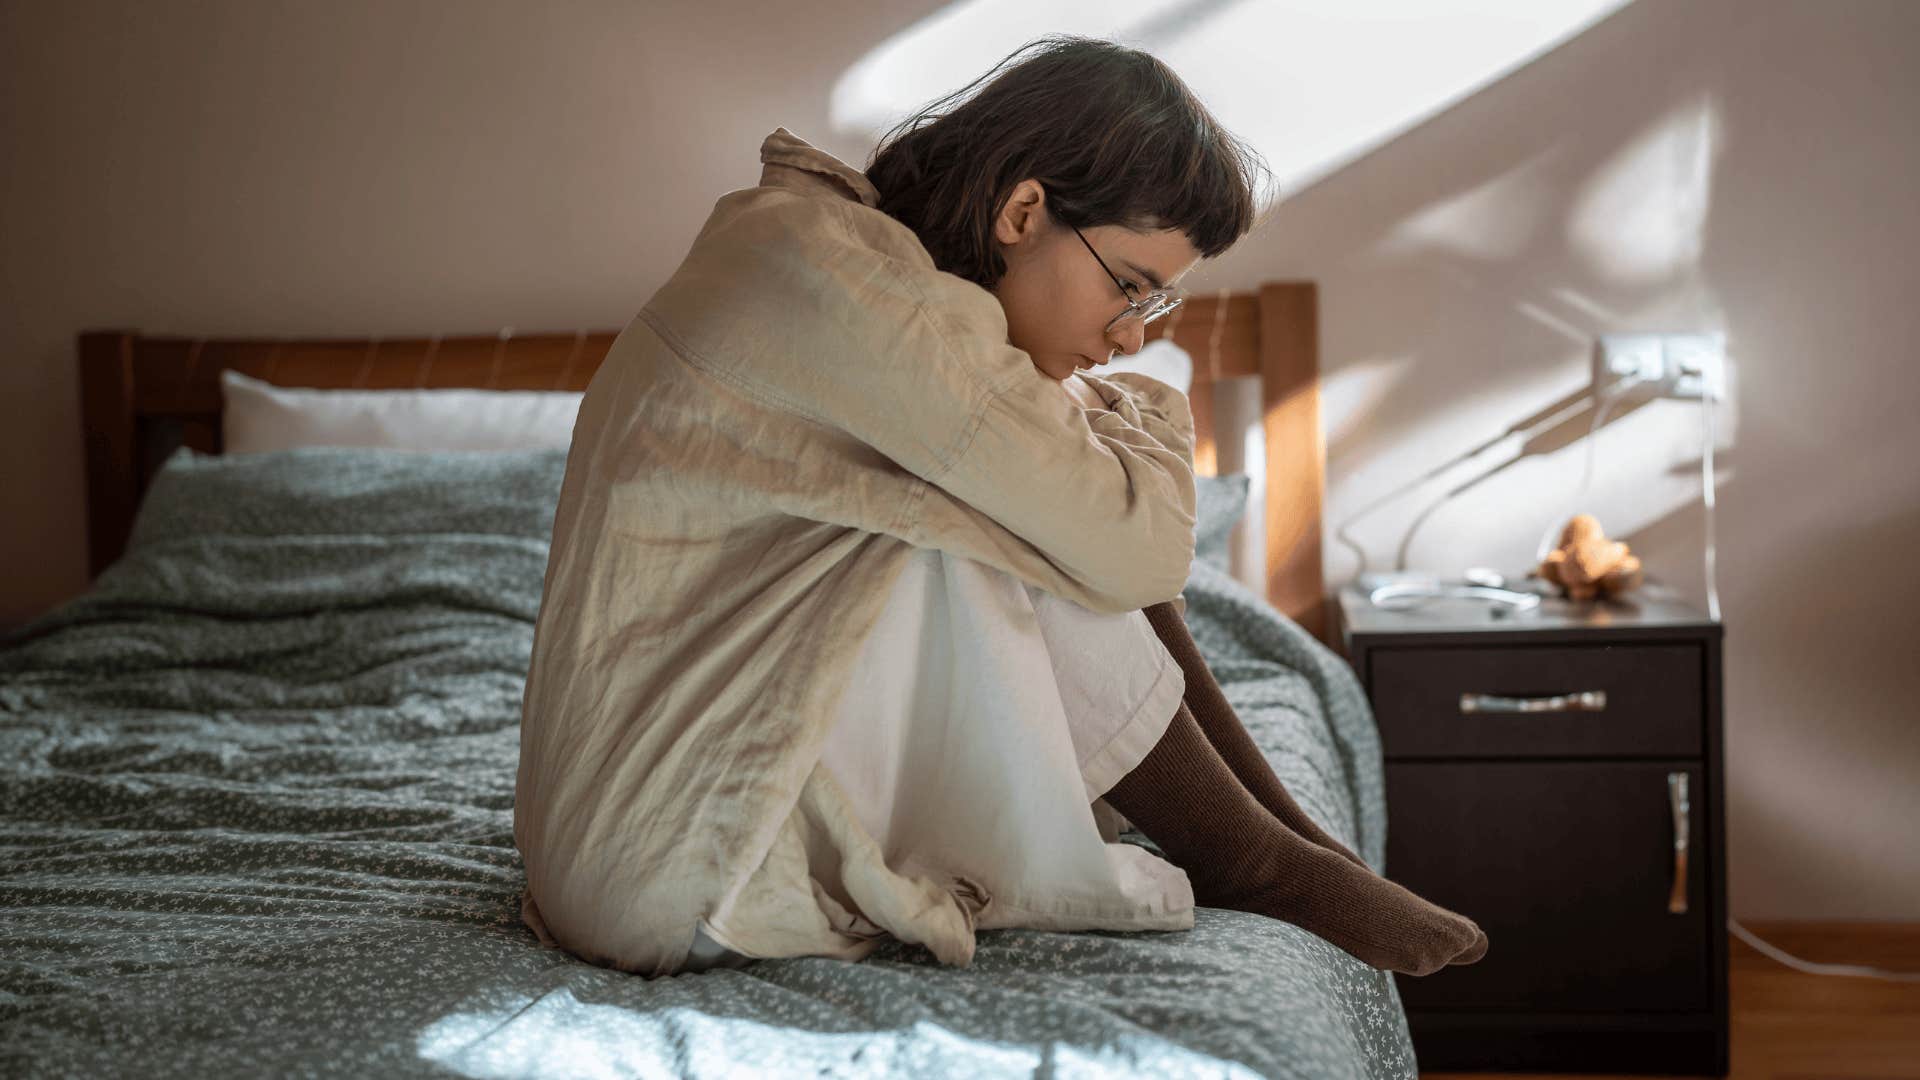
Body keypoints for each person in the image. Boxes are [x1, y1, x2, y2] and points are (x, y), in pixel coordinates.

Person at [514, 35, 1487, 979]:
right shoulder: (847, 291)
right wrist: (1127, 430)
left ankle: (1285, 846)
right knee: (1021, 527)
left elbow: (1117, 554)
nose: (1127, 339)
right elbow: (1135, 554)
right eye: (1130, 288)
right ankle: (1261, 860)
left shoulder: (864, 278)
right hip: (675, 860)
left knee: (1038, 511)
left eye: (1154, 310)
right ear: (1024, 210)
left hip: (646, 840)